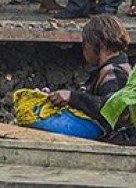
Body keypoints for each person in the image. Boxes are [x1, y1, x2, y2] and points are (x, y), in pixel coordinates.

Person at [44, 15, 133, 143]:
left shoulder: (114, 72)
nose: (84, 50)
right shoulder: (111, 69)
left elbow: (112, 111)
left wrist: (72, 97)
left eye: (85, 44)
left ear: (100, 45)